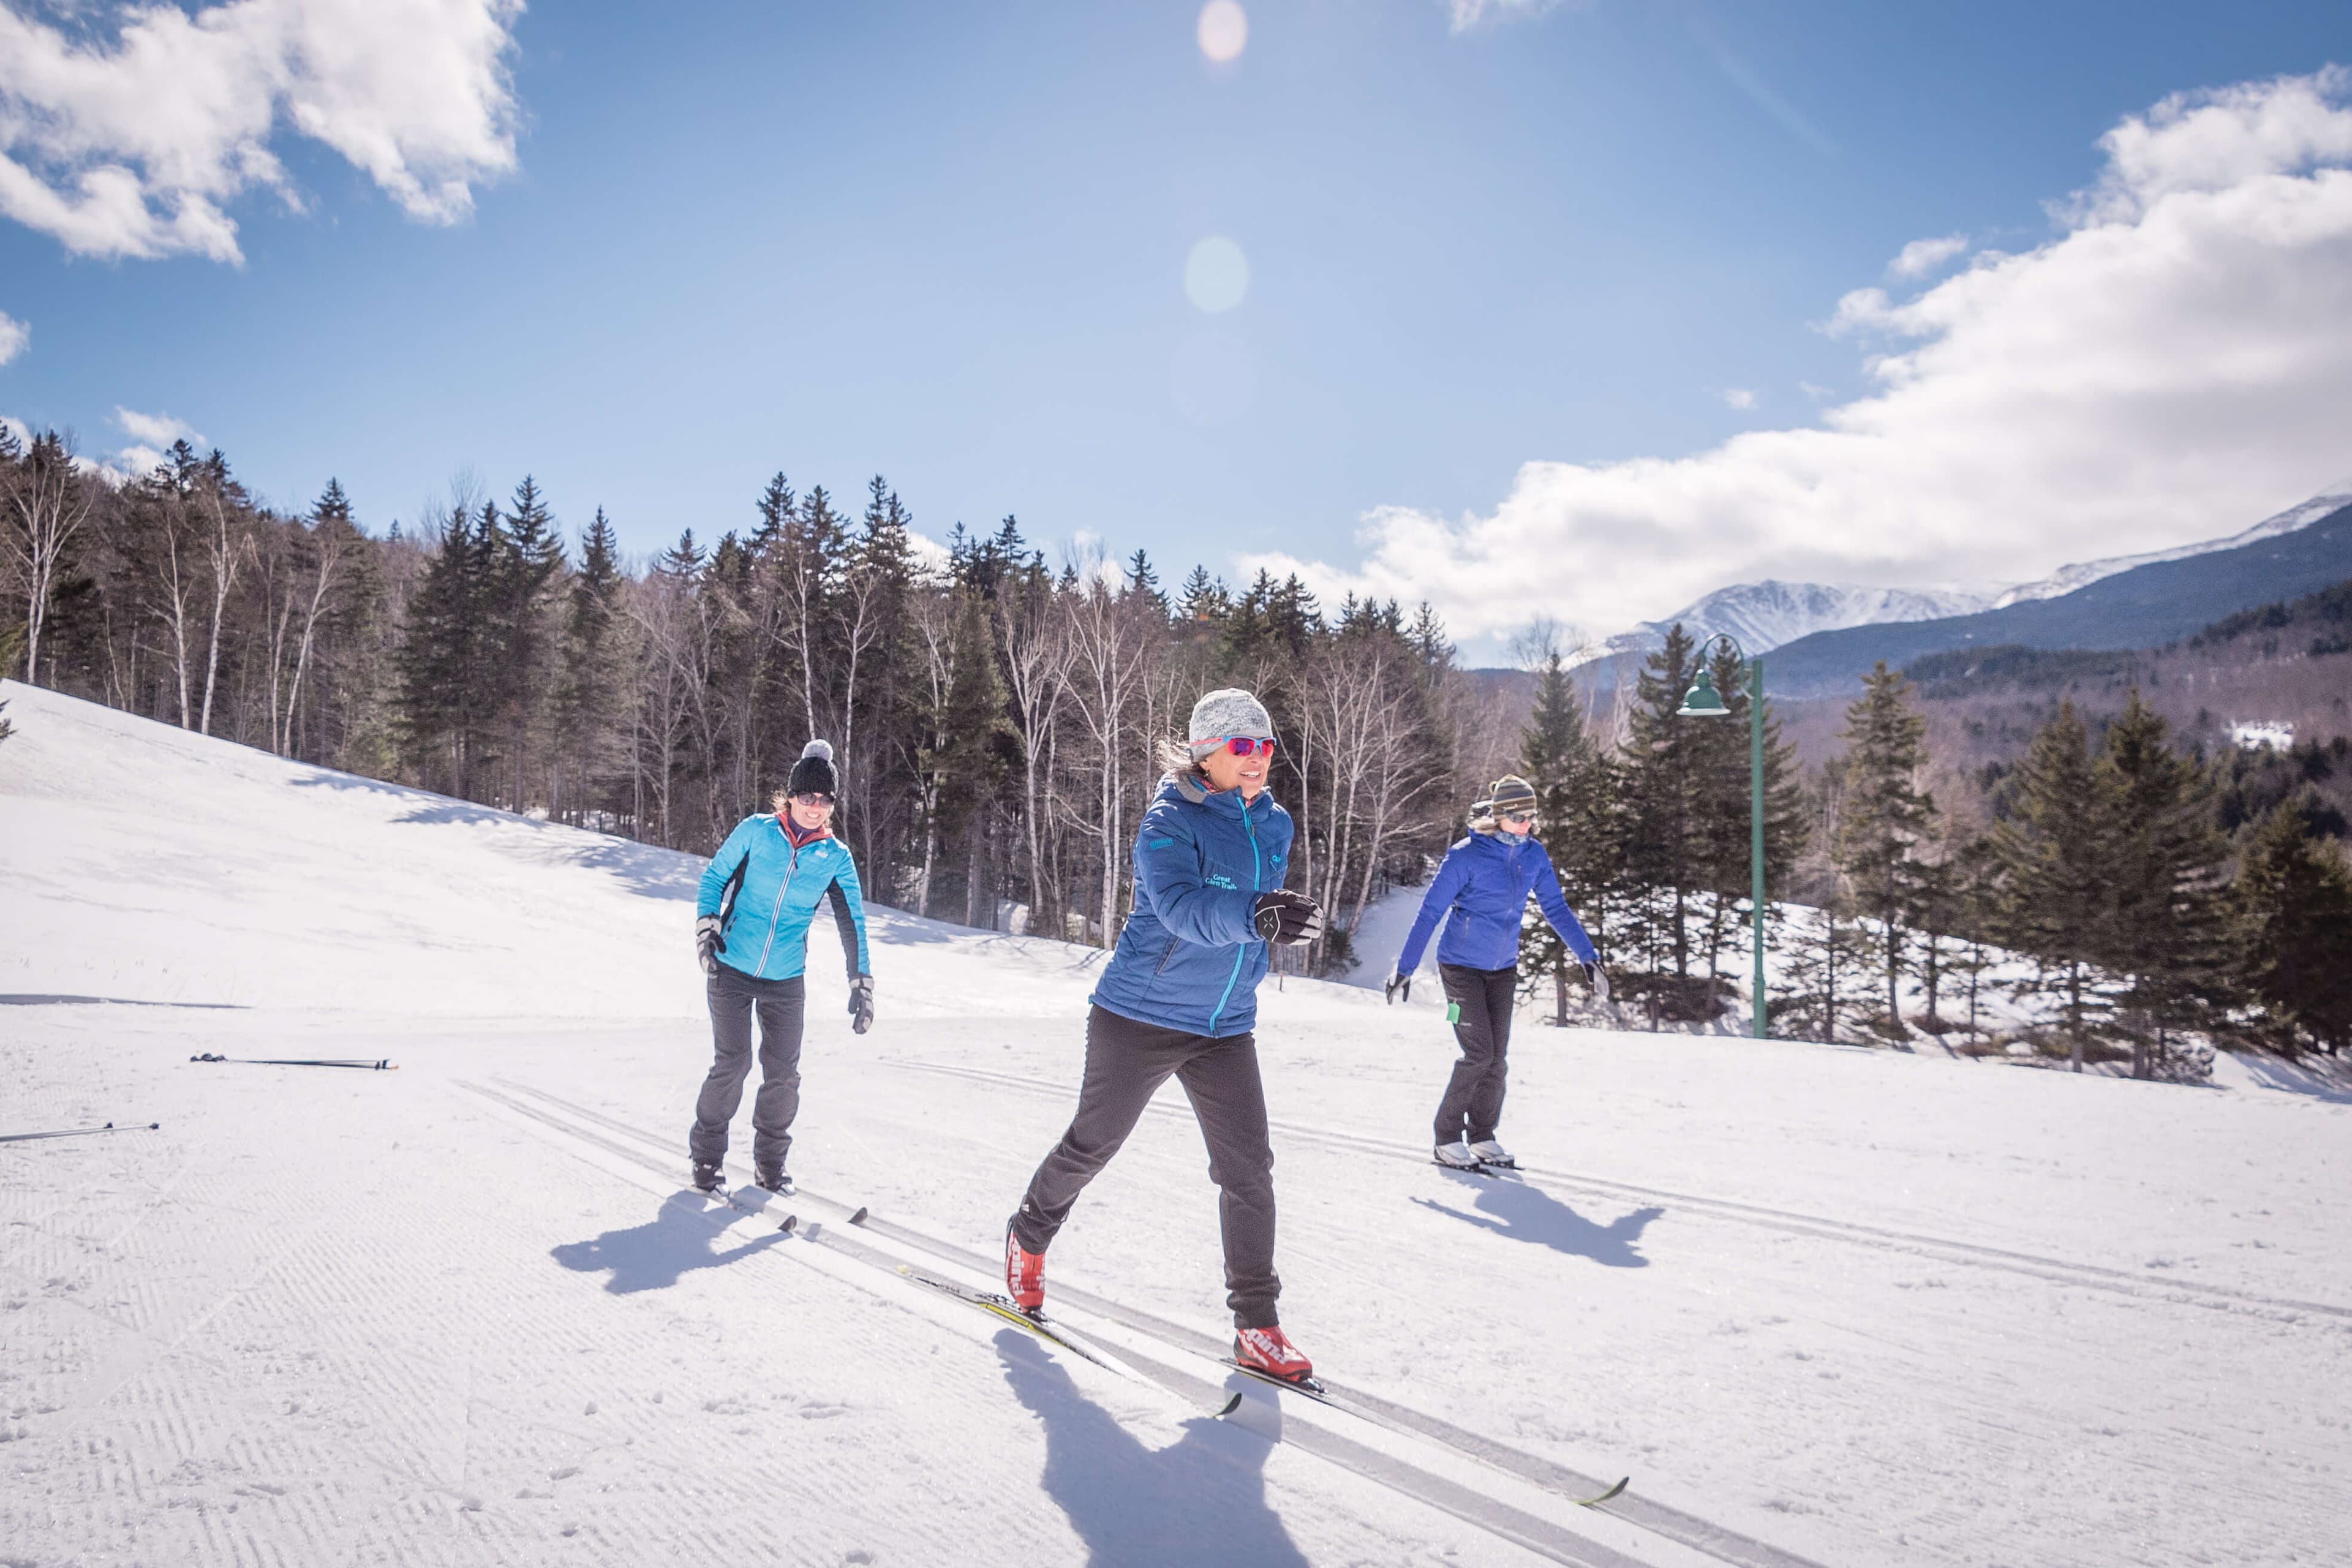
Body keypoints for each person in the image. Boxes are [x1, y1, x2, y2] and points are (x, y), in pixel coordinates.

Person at [1005, 688, 1326, 1383]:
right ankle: (1028, 1235)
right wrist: (1256, 914)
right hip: (1139, 1016)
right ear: (1205, 753)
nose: (1257, 759)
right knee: (1094, 1143)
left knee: (1249, 1170)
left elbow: (1249, 916)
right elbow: (1181, 909)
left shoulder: (1275, 824)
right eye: (1242, 746)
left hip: (1225, 1026)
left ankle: (1258, 1326)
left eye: (1266, 746)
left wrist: (1272, 921)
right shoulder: (1165, 822)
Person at [1385, 774, 1607, 1172]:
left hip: (1503, 968)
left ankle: (1483, 1135)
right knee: (1479, 1053)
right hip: (1459, 968)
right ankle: (1447, 1137)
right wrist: (1404, 968)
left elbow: (1555, 909)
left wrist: (1588, 958)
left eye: (1531, 817)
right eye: (1519, 816)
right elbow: (1430, 913)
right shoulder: (1466, 855)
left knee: (1497, 1058)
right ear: (1500, 816)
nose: (1526, 824)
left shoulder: (1534, 856)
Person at [688, 740, 874, 1195]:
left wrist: (862, 982)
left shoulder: (836, 857)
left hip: (786, 977)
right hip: (731, 966)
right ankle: (707, 1160)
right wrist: (707, 929)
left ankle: (770, 1168)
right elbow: (714, 877)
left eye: (824, 800)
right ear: (790, 796)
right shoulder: (756, 832)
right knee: (733, 1062)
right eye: (807, 797)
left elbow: (853, 920)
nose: (815, 807)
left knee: (784, 1073)